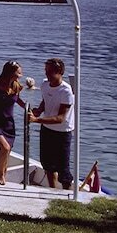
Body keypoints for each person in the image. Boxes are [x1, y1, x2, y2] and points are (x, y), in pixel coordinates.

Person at [29, 58, 75, 190]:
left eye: (50, 72)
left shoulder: (66, 91)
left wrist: (36, 120)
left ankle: (67, 192)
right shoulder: (44, 85)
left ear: (59, 72)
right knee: (47, 164)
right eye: (46, 71)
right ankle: (52, 190)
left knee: (63, 167)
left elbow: (61, 118)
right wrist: (39, 110)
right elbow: (45, 100)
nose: (47, 74)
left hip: (62, 132)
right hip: (47, 129)